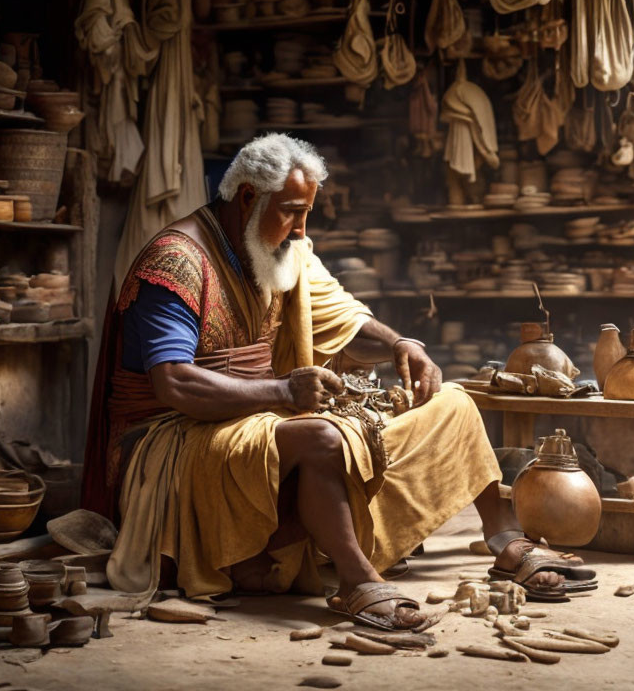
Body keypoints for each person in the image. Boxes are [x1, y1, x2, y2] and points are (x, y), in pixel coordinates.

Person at [83, 133, 591, 630]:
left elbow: (347, 323)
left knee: (452, 402)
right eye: (291, 212)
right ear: (246, 198)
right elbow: (175, 386)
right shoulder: (176, 261)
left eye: (308, 213)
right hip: (172, 437)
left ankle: (505, 542)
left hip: (256, 418)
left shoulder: (282, 250)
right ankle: (356, 581)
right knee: (323, 437)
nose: (303, 229)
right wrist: (283, 392)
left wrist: (400, 346)